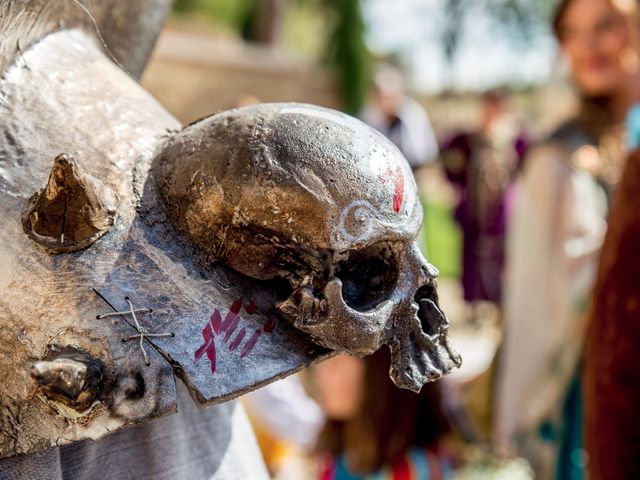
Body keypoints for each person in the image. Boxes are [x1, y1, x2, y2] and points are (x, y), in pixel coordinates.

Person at [493, 0, 640, 477]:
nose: (588, 46)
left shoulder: (622, 142)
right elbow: (539, 310)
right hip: (591, 401)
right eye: (572, 33)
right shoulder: (558, 160)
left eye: (606, 25)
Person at [440, 90, 527, 318]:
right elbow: (449, 158)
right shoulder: (470, 137)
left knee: (502, 254)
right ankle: (474, 305)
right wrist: (457, 185)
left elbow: (529, 164)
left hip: (503, 209)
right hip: (475, 206)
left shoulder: (514, 138)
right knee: (474, 253)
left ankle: (499, 304)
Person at [310, 349, 454, 480]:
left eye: (335, 363)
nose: (320, 374)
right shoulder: (340, 457)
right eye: (320, 360)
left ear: (380, 372)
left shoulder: (417, 471)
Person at [361, 65, 439, 171]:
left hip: (410, 167)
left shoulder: (411, 115)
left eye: (385, 97)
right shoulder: (371, 112)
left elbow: (416, 156)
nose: (380, 101)